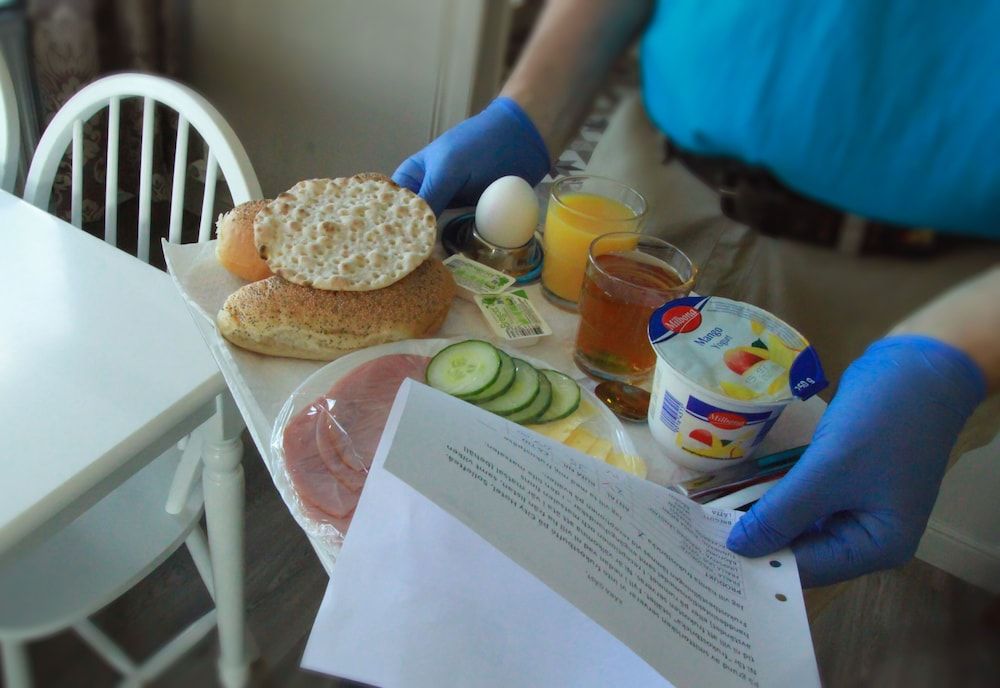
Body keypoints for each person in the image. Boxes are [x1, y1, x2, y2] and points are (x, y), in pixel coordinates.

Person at [392, 0, 1000, 588]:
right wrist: (529, 108)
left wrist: (952, 360)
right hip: (646, 197)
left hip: (924, 294)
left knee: (722, 587)